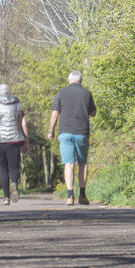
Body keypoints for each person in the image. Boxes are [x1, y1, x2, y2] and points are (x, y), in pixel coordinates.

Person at [47, 70, 96, 206]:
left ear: (69, 80)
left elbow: (54, 114)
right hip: (82, 133)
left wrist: (51, 131)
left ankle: (69, 196)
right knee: (82, 164)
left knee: (68, 163)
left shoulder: (61, 93)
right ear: (80, 81)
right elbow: (94, 113)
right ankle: (82, 195)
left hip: (65, 133)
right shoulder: (87, 93)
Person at [0, 84, 29, 205]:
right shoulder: (18, 106)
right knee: (14, 167)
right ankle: (14, 183)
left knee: (3, 169)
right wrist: (26, 142)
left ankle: (6, 198)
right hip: (14, 141)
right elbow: (23, 125)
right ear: (9, 92)